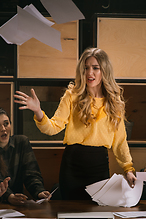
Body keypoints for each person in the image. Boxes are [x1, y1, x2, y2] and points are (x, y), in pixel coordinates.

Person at [14, 47, 136, 200]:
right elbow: (52, 128)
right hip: (72, 164)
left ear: (104, 71)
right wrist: (38, 111)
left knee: (97, 217)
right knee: (69, 214)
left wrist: (128, 169)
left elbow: (120, 142)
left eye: (95, 68)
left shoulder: (114, 103)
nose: (89, 73)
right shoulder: (72, 96)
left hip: (99, 165)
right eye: (85, 68)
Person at [0, 107, 50, 205]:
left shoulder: (21, 142)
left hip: (19, 202)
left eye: (6, 124)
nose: (3, 129)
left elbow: (31, 174)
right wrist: (9, 196)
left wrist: (39, 192)